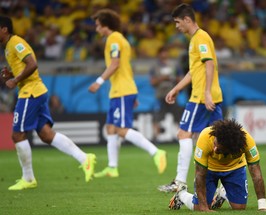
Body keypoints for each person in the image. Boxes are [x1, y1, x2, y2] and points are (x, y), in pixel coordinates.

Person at [0, 15, 96, 191]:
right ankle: (84, 158)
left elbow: (32, 64)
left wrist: (15, 80)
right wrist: (12, 75)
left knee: (17, 135)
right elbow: (23, 67)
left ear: (4, 29)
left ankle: (28, 178)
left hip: (31, 92)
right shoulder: (7, 48)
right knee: (45, 134)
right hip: (36, 91)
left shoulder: (15, 43)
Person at [88, 9, 167, 178]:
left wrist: (99, 81)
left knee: (121, 129)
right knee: (110, 128)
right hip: (121, 90)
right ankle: (112, 167)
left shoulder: (114, 39)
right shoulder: (120, 39)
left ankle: (156, 152)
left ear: (105, 25)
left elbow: (115, 64)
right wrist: (135, 94)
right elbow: (126, 68)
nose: (96, 29)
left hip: (122, 91)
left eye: (97, 25)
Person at [158, 3, 223, 192]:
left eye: (178, 22)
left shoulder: (200, 38)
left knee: (183, 134)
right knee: (217, 142)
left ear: (187, 20)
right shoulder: (196, 39)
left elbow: (209, 64)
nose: (177, 26)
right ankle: (223, 188)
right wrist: (176, 88)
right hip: (210, 96)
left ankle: (179, 182)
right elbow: (195, 71)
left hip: (201, 97)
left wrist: (206, 93)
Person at [168, 119, 266, 212]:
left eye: (219, 149)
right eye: (215, 144)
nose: (215, 149)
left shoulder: (246, 142)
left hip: (235, 168)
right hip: (209, 170)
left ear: (231, 150)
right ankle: (181, 194)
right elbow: (200, 174)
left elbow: (256, 174)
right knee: (198, 207)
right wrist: (204, 208)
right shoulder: (205, 137)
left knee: (239, 208)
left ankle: (223, 193)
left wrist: (262, 206)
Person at [149, 46, 183, 143]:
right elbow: (152, 82)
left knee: (178, 117)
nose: (164, 54)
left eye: (166, 52)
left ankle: (181, 136)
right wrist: (162, 78)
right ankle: (155, 138)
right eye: (162, 52)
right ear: (159, 54)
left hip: (173, 95)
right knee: (156, 117)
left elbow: (181, 79)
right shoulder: (154, 66)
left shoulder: (175, 65)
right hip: (160, 96)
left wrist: (173, 78)